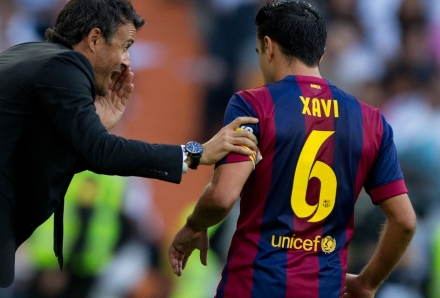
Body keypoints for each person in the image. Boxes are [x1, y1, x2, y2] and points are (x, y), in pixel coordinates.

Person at [0, 0, 258, 288]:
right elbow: (101, 153)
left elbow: (38, 157)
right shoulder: (65, 68)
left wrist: (93, 130)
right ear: (95, 39)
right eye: (125, 46)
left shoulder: (31, 56)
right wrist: (195, 153)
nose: (125, 61)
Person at [168, 1, 416, 298]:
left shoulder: (253, 105)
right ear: (320, 54)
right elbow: (404, 221)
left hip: (253, 286)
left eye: (258, 52)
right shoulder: (372, 121)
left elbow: (223, 197)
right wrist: (367, 282)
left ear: (268, 47)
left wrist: (194, 226)